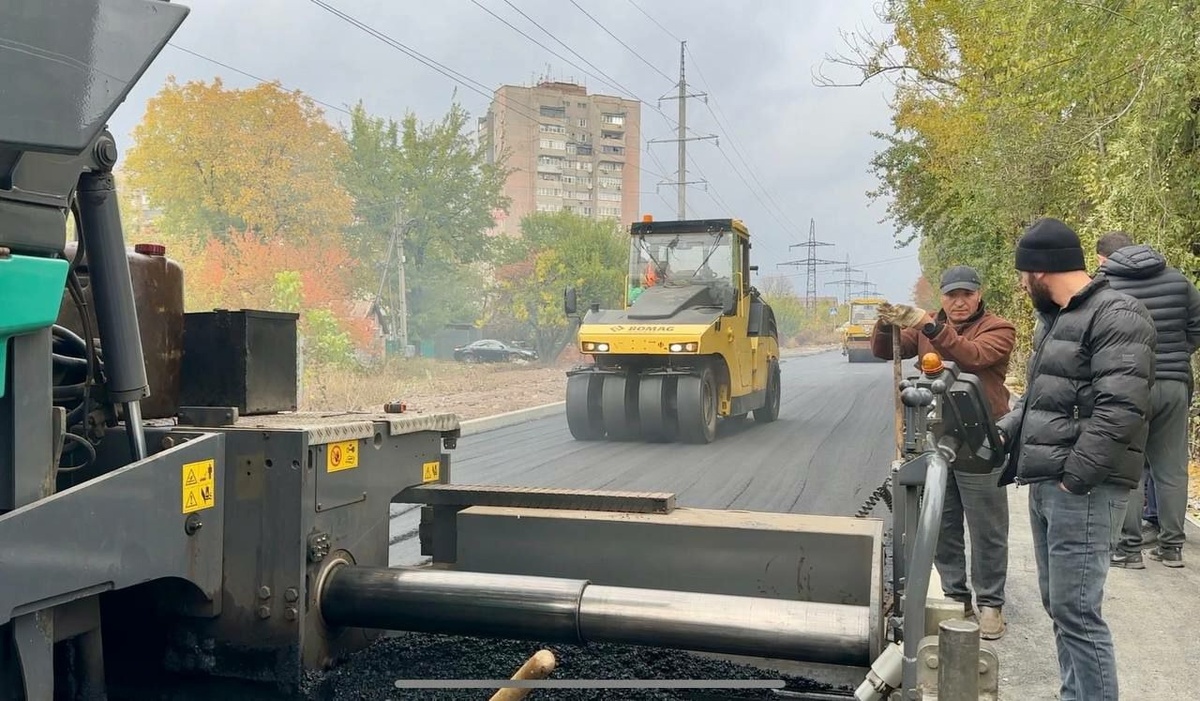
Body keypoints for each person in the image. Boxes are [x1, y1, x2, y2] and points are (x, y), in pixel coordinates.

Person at [995, 217, 1155, 701]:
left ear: (1040, 271)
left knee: (1079, 612)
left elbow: (1121, 409)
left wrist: (1074, 480)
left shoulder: (1118, 315)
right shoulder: (1060, 318)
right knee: (1061, 607)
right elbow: (1043, 399)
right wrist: (1003, 432)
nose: (1023, 287)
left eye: (1024, 277)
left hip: (1081, 488)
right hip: (1048, 482)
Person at [870, 265, 1016, 639]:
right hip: (934, 432)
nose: (959, 302)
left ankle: (990, 604)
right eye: (952, 295)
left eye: (966, 294)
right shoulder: (924, 327)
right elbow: (886, 349)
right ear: (943, 297)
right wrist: (882, 321)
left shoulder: (998, 329)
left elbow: (973, 357)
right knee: (941, 521)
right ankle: (955, 595)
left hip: (982, 438)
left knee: (987, 528)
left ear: (979, 295)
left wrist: (931, 327)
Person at [1096, 230, 1200, 568]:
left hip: (1129, 384)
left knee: (1129, 467)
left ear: (1106, 258)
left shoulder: (1105, 284)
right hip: (1173, 383)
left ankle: (1128, 550)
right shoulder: (1178, 281)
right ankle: (1172, 547)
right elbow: (1197, 327)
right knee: (1171, 469)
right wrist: (1176, 354)